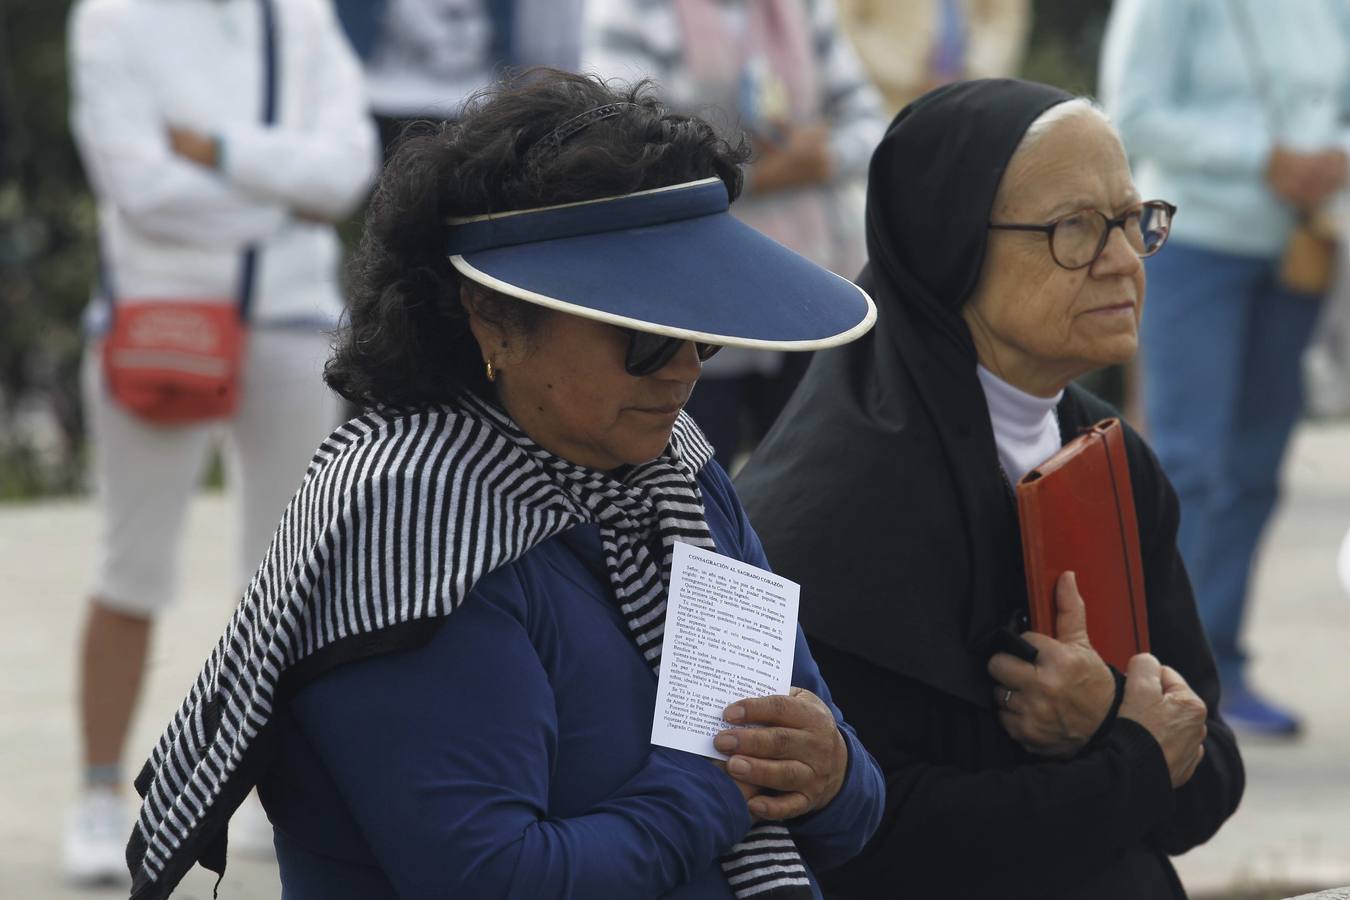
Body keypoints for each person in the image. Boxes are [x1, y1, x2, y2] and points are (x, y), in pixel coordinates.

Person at [124, 71, 884, 900]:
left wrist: (833, 772)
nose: (681, 370)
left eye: (701, 336)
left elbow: (845, 809)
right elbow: (499, 878)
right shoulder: (411, 528)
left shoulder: (675, 468)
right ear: (492, 316)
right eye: (641, 335)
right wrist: (716, 783)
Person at [735, 79, 1245, 899]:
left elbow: (1208, 776)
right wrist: (1128, 760)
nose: (1123, 260)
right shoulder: (838, 513)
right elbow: (871, 841)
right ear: (952, 247)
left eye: (1132, 219)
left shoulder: (1112, 458)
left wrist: (1106, 713)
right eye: (1075, 228)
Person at [63, 0, 379, 885]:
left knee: (288, 577)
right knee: (132, 566)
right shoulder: (113, 19)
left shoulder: (301, 17)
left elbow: (347, 172)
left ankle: (267, 792)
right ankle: (97, 791)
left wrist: (219, 152)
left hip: (292, 324)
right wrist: (284, 197)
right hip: (157, 323)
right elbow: (139, 186)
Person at [1100, 0, 1350, 737]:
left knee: (1255, 468)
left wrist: (1332, 155)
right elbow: (1131, 114)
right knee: (1188, 463)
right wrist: (1261, 158)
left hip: (1300, 246)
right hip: (1196, 241)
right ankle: (1157, 674)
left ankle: (1222, 667)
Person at [584, 0, 886, 467]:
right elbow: (620, 147)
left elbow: (870, 120)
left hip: (804, 289)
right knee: (694, 477)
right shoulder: (633, 12)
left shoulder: (803, 9)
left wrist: (826, 157)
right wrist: (752, 175)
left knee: (807, 475)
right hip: (695, 304)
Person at [834, 0, 1032, 117]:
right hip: (884, 107)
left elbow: (1006, 17)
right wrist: (911, 76)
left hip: (974, 107)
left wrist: (973, 74)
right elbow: (843, 23)